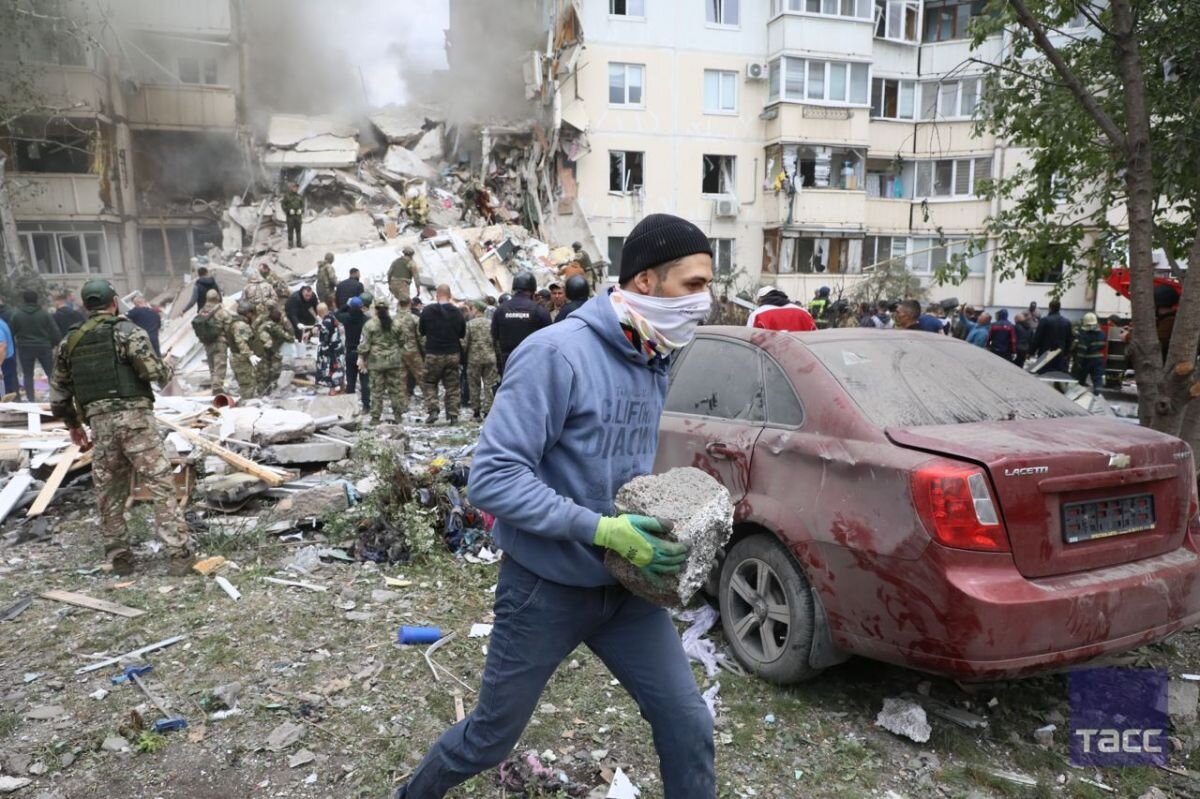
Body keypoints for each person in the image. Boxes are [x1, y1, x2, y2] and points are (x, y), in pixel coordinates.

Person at [392, 212, 715, 799]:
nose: (706, 300)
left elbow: (618, 466)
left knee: (687, 720)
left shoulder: (654, 355)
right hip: (546, 587)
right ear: (646, 282)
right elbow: (491, 479)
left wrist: (658, 525)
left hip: (627, 589)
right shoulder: (557, 354)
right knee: (488, 739)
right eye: (693, 285)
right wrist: (603, 530)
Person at [49, 279, 191, 576]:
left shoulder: (69, 342)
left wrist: (73, 425)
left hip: (99, 423)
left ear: (86, 306)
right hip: (135, 419)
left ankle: (120, 556)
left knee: (109, 491)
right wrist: (169, 367)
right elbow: (155, 373)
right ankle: (177, 553)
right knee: (160, 484)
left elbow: (60, 393)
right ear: (114, 302)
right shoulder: (128, 332)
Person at [419, 284, 466, 424]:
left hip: (433, 353)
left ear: (436, 295)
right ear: (450, 295)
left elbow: (422, 331)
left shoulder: (427, 311)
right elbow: (462, 333)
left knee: (429, 382)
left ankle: (433, 410)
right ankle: (453, 415)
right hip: (452, 354)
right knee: (452, 385)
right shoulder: (457, 312)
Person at [358, 303, 408, 425]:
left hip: (376, 362)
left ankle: (375, 418)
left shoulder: (369, 325)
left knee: (376, 391)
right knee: (395, 390)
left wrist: (361, 357)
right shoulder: (396, 324)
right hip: (393, 361)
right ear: (387, 308)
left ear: (375, 309)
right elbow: (403, 340)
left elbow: (365, 344)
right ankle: (398, 416)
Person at [491, 272, 550, 375]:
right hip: (532, 362)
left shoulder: (500, 310)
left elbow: (494, 335)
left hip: (508, 362)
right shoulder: (539, 310)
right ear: (532, 291)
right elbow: (550, 338)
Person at [9, 290, 61, 401]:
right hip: (44, 346)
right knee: (50, 373)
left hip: (25, 347)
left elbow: (11, 332)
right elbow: (55, 331)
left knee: (28, 374)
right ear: (36, 299)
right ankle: (56, 397)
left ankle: (30, 399)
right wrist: (53, 344)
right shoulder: (44, 314)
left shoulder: (17, 314)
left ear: (24, 300)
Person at [462, 301, 498, 420]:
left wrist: (464, 356)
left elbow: (465, 343)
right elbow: (496, 341)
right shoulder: (491, 323)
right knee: (489, 384)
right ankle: (488, 410)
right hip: (490, 357)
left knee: (474, 385)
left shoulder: (470, 324)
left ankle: (476, 412)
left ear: (476, 309)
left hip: (474, 359)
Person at [336, 296, 370, 411]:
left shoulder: (346, 318)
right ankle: (366, 406)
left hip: (350, 352)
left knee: (351, 380)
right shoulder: (366, 320)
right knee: (365, 381)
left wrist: (346, 304)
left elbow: (337, 313)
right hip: (363, 353)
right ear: (361, 307)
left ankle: (351, 406)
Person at [191, 289, 228, 390]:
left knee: (212, 366)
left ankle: (214, 384)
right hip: (219, 342)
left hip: (207, 342)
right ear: (217, 297)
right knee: (219, 366)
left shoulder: (202, 311)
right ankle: (217, 388)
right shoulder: (220, 311)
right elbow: (228, 324)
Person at [227, 302, 262, 398]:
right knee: (247, 386)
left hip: (241, 358)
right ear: (248, 314)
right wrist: (250, 355)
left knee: (250, 384)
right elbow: (241, 342)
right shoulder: (240, 325)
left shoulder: (238, 323)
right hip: (241, 359)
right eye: (252, 314)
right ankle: (247, 406)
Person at [746, 286, 816, 331]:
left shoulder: (757, 315)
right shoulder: (803, 312)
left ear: (760, 299)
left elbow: (749, 341)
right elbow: (814, 337)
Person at [254, 305, 291, 392]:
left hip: (259, 352)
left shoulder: (263, 324)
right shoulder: (275, 327)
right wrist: (287, 324)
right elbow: (289, 337)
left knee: (262, 375)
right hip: (266, 353)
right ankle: (268, 391)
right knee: (272, 372)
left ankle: (262, 392)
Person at [1031, 299, 1073, 372]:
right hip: (1060, 355)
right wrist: (1066, 353)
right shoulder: (1066, 322)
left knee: (1042, 376)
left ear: (1049, 308)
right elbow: (1069, 340)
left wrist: (1031, 351)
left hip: (1045, 355)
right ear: (1059, 308)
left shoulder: (1045, 321)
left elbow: (1037, 338)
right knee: (1057, 375)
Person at [396, 296, 424, 402]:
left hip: (398, 352)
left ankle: (402, 403)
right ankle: (431, 404)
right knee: (422, 376)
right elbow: (421, 337)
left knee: (401, 378)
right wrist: (424, 352)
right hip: (413, 351)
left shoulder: (393, 319)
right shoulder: (415, 318)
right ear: (410, 304)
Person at [1074, 312, 1106, 393]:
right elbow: (1103, 346)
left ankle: (1078, 396)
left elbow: (1082, 350)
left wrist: (1078, 363)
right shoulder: (1102, 334)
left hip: (1086, 360)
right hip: (1098, 360)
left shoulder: (1084, 335)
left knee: (1080, 378)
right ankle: (1098, 396)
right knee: (1098, 379)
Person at [315, 302, 344, 389]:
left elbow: (324, 333)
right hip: (337, 346)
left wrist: (317, 332)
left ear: (319, 313)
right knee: (338, 366)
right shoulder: (332, 316)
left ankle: (333, 386)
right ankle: (340, 385)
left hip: (331, 348)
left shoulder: (326, 321)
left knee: (331, 368)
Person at [281, 182, 304, 248]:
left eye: (297, 187)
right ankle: (290, 244)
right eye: (294, 187)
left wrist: (301, 210)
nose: (296, 189)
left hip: (298, 216)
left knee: (298, 231)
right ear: (291, 188)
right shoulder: (287, 196)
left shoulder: (299, 196)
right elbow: (283, 205)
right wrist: (288, 210)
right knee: (290, 230)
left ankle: (299, 244)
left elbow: (303, 205)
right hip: (290, 217)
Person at [0, 315, 16, 396]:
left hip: (4, 361)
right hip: (7, 359)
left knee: (4, 392)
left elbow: (2, 346)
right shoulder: (2, 322)